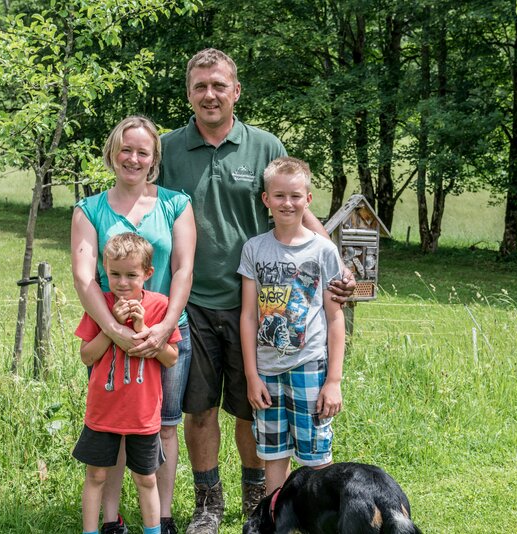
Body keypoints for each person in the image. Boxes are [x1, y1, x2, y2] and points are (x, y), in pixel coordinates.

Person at [157, 48, 354, 534]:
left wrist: (339, 267)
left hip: (263, 307)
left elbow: (300, 213)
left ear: (236, 91)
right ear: (189, 93)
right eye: (200, 86)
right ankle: (207, 503)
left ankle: (257, 503)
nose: (210, 94)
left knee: (252, 408)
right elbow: (144, 208)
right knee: (199, 410)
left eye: (219, 85)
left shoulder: (264, 145)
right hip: (193, 303)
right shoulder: (168, 149)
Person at [72, 115, 196, 534]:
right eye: (126, 149)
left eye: (143, 151)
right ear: (112, 152)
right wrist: (114, 330)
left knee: (163, 425)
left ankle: (160, 518)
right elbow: (85, 277)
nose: (133, 158)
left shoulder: (176, 204)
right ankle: (110, 521)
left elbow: (183, 269)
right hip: (110, 331)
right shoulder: (89, 209)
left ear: (154, 158)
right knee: (116, 425)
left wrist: (162, 329)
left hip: (166, 331)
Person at [238, 156, 345, 493]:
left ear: (308, 200)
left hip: (309, 367)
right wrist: (252, 376)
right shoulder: (255, 249)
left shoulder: (323, 251)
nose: (288, 203)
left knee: (316, 459)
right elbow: (249, 316)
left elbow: (334, 317)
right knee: (274, 455)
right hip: (268, 371)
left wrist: (334, 380)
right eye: (279, 195)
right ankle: (276, 520)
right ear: (266, 200)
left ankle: (320, 521)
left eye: (296, 196)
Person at [73, 232, 182, 534]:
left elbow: (171, 358)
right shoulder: (100, 306)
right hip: (102, 412)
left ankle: (153, 530)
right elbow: (86, 356)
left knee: (146, 478)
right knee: (96, 476)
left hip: (143, 415)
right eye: (114, 274)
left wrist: (142, 327)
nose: (122, 283)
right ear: (104, 270)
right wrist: (112, 327)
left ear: (148, 273)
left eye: (131, 275)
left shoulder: (160, 306)